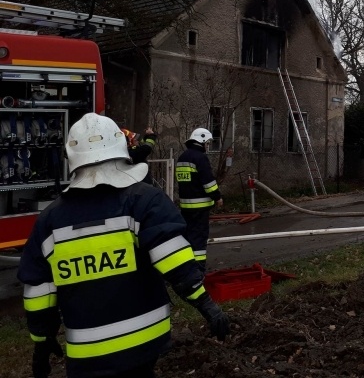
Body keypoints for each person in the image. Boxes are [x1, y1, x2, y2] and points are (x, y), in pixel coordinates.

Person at [17, 113, 229, 378]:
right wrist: (206, 304)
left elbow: (38, 290)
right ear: (122, 148)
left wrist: (41, 341)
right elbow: (174, 259)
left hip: (86, 354)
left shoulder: (48, 221)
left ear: (70, 158)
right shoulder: (144, 201)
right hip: (144, 343)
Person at [176, 127, 223, 274]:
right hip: (200, 208)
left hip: (185, 207)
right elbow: (208, 182)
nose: (207, 146)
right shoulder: (200, 158)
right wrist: (218, 197)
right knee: (199, 240)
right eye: (207, 143)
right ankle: (197, 272)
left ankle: (185, 267)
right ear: (201, 141)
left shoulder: (182, 158)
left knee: (187, 237)